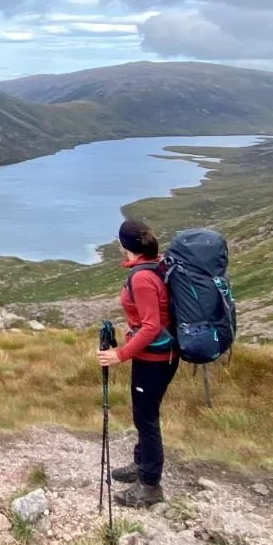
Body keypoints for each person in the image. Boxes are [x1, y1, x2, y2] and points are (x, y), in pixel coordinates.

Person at [95, 218, 177, 508]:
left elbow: (151, 326)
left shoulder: (141, 278)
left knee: (146, 418)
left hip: (154, 358)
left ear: (124, 245)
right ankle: (142, 465)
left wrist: (119, 354)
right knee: (144, 413)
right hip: (158, 356)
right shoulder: (156, 264)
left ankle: (150, 486)